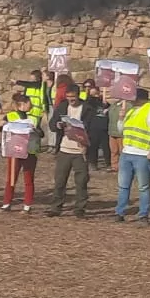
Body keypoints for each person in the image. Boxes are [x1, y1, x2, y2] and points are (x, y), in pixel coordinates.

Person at [114, 88, 150, 225]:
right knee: (123, 185)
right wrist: (121, 119)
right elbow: (121, 130)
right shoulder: (131, 111)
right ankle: (119, 212)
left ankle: (143, 215)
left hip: (142, 154)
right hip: (126, 153)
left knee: (143, 187)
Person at [47, 86, 98, 218]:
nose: (71, 100)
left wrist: (87, 143)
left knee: (81, 181)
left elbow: (93, 130)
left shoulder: (87, 109)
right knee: (60, 180)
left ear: (78, 95)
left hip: (80, 151)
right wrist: (58, 125)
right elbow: (52, 124)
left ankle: (80, 208)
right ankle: (56, 207)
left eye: (73, 97)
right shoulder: (62, 107)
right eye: (68, 97)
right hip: (64, 149)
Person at [0, 93, 40, 213]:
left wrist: (35, 130)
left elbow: (41, 133)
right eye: (29, 103)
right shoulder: (10, 116)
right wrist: (0, 125)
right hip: (14, 152)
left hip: (29, 151)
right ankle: (6, 203)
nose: (31, 105)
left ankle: (27, 205)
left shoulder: (33, 118)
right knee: (11, 178)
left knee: (28, 179)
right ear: (22, 104)